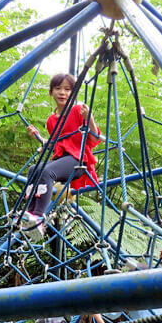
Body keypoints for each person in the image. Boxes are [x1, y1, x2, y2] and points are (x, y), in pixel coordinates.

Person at [22, 73, 101, 238]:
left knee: (45, 172)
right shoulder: (51, 120)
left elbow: (94, 139)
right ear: (51, 92)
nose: (62, 93)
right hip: (61, 160)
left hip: (78, 161)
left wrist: (90, 120)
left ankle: (38, 217)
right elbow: (56, 144)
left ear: (73, 93)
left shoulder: (78, 111)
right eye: (58, 88)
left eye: (67, 89)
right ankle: (29, 213)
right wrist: (41, 139)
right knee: (33, 170)